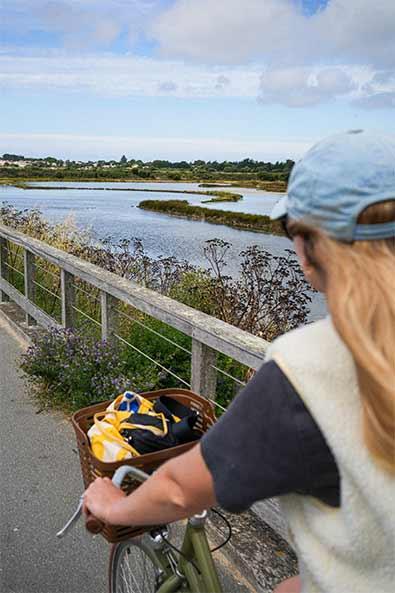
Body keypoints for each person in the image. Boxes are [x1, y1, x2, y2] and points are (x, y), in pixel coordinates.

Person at [83, 130, 395, 593]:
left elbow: (180, 490)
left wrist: (112, 506)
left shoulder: (309, 366)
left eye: (291, 231)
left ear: (309, 245)